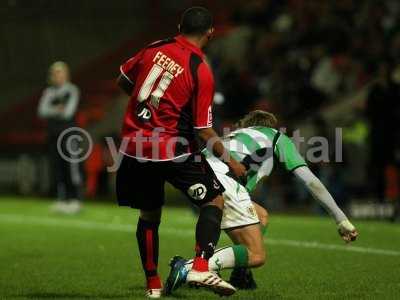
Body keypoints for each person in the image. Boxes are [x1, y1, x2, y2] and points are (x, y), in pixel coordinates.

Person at [116, 7, 246, 298]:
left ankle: (153, 285)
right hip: (172, 147)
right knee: (214, 200)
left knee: (149, 215)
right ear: (210, 33)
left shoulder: (154, 47)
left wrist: (149, 111)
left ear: (179, 26)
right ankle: (200, 266)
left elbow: (123, 79)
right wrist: (232, 162)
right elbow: (203, 130)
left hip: (135, 146)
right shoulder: (200, 68)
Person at [164, 110, 358, 295]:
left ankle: (240, 274)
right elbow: (311, 181)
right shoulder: (277, 137)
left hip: (196, 177)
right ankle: (191, 267)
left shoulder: (235, 135)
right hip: (225, 181)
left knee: (261, 215)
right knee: (256, 255)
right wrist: (340, 218)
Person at [38, 61, 82, 214]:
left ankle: (75, 199)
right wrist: (57, 109)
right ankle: (61, 199)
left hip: (69, 135)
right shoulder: (49, 92)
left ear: (66, 74)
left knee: (71, 166)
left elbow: (67, 113)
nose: (57, 76)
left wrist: (53, 110)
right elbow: (41, 111)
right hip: (53, 135)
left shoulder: (72, 90)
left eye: (60, 72)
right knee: (56, 167)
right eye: (55, 73)